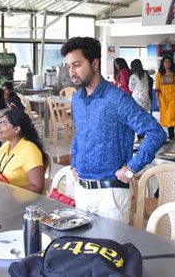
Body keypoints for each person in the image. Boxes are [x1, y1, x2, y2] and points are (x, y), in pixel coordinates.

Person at [61, 37, 165, 223]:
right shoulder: (77, 99)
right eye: (69, 66)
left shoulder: (117, 99)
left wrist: (131, 169)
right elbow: (80, 134)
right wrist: (75, 164)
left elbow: (155, 132)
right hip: (82, 189)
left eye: (77, 65)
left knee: (110, 249)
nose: (72, 72)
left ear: (94, 64)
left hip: (110, 195)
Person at [0, 108, 45, 193]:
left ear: (17, 129)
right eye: (1, 122)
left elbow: (37, 187)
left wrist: (10, 192)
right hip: (3, 197)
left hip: (21, 202)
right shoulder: (5, 146)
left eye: (4, 123)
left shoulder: (30, 150)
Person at [156, 56, 175, 140]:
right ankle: (169, 135)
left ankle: (172, 135)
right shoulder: (159, 74)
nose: (168, 64)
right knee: (166, 116)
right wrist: (157, 100)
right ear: (163, 64)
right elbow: (157, 88)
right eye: (166, 62)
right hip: (163, 98)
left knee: (171, 115)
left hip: (174, 97)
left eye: (169, 62)